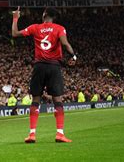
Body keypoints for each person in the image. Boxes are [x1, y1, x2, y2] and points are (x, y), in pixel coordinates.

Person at [12, 7, 77, 143]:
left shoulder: (35, 27)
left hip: (39, 66)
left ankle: (32, 134)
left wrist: (15, 17)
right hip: (54, 66)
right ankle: (60, 133)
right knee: (57, 100)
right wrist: (74, 56)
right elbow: (65, 44)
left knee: (36, 100)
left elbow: (15, 34)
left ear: (44, 15)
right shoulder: (59, 28)